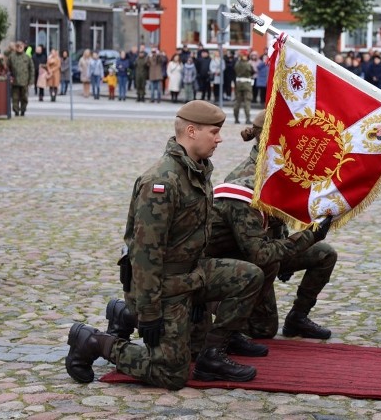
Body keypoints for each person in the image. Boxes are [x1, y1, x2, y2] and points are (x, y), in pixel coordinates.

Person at [66, 101, 265, 388]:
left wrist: (200, 293)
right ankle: (95, 342)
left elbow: (199, 238)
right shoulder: (161, 181)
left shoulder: (198, 170)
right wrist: (148, 313)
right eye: (214, 132)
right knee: (171, 374)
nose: (220, 139)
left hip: (190, 277)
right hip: (163, 287)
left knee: (249, 276)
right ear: (192, 131)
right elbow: (145, 256)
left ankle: (211, 355)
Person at [206, 112, 337, 341]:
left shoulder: (277, 169)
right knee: (263, 330)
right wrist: (307, 237)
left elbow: (274, 219)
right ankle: (219, 303)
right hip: (244, 260)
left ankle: (297, 318)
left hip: (266, 252)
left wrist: (288, 242)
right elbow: (258, 254)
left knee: (325, 254)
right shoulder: (247, 181)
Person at [7, 41, 35, 116]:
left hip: (24, 81)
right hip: (15, 81)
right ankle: (16, 111)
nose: (19, 48)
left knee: (24, 98)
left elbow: (31, 69)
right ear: (16, 47)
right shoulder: (12, 57)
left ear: (23, 47)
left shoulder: (27, 57)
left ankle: (23, 110)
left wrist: (31, 81)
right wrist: (10, 77)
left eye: (21, 47)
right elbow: (7, 67)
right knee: (15, 98)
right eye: (18, 47)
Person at [233, 49, 254, 124]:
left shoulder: (237, 63)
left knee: (237, 102)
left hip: (238, 84)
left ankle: (236, 119)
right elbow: (251, 71)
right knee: (247, 102)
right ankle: (247, 119)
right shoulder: (247, 64)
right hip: (247, 84)